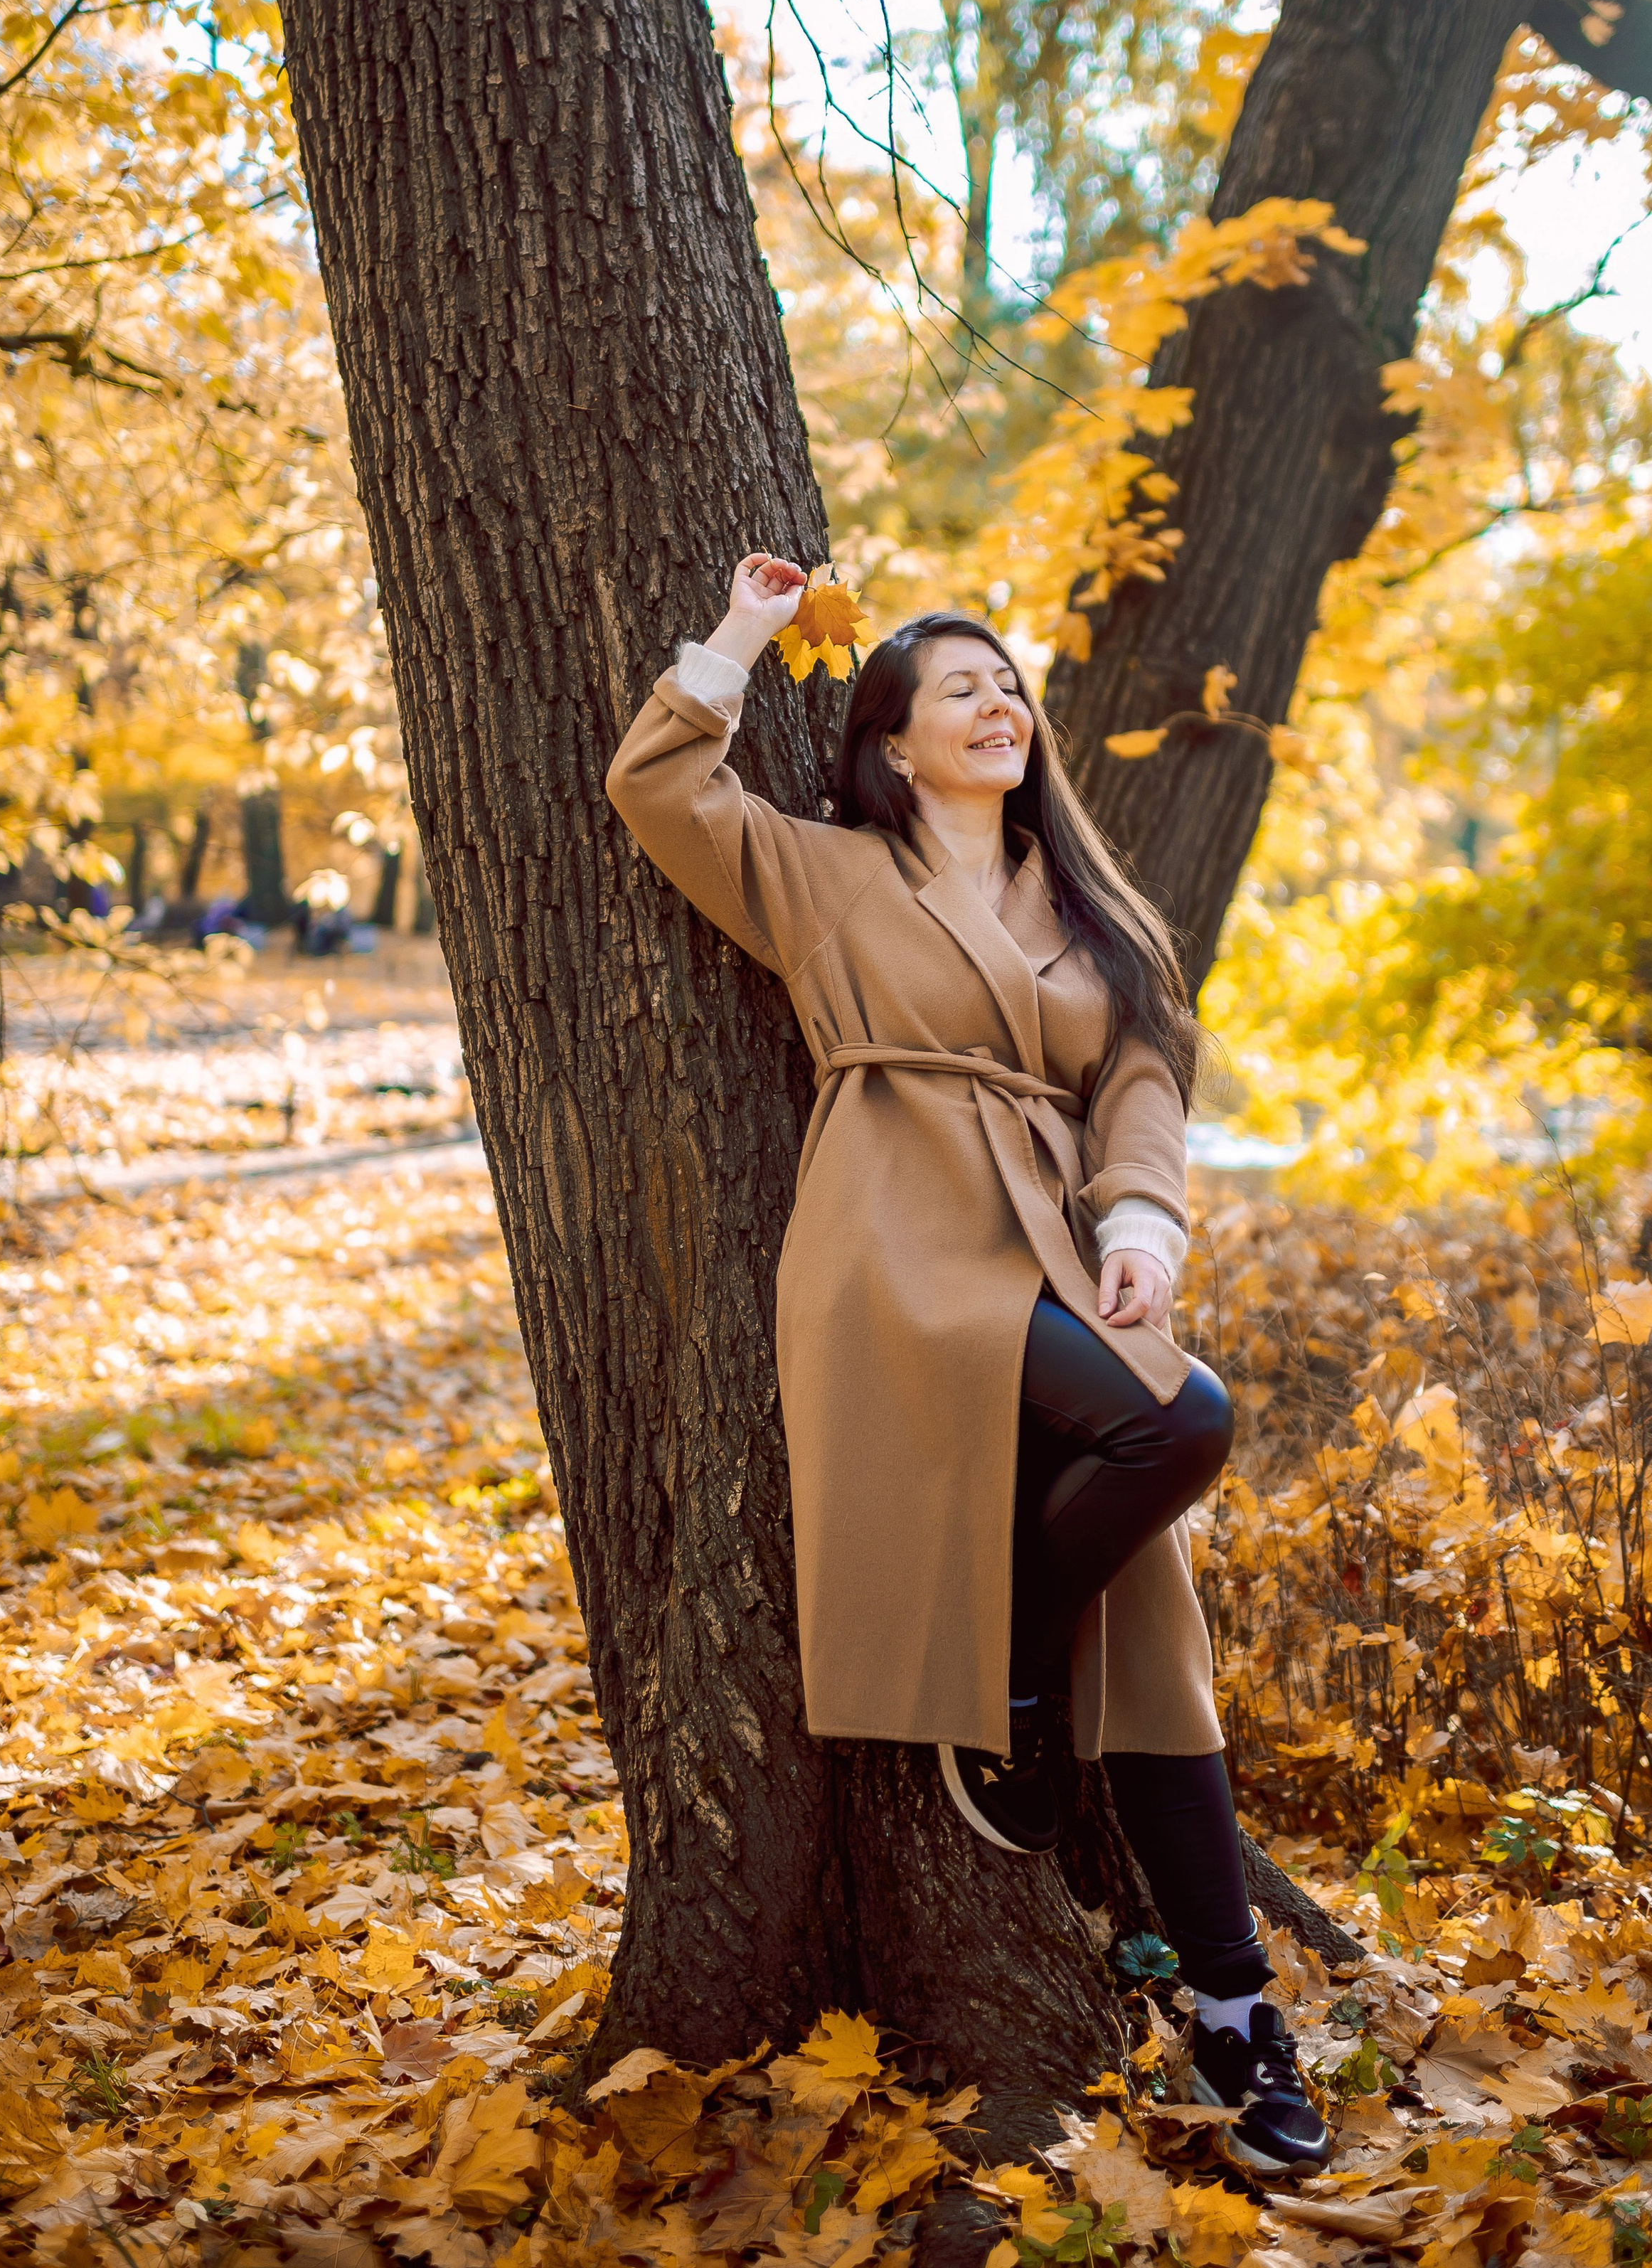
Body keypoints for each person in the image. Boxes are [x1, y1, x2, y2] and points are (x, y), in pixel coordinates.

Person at [606, 553, 1328, 2178]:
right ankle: (1006, 1678)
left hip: (1057, 1254)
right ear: (890, 742)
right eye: (960, 689)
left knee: (1155, 1629)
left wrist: (1142, 1219)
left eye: (1011, 686)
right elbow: (654, 785)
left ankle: (1229, 2009)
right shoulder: (824, 872)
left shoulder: (1090, 908)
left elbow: (1143, 1075)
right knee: (1183, 1421)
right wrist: (740, 628)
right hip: (899, 1248)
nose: (1001, 705)